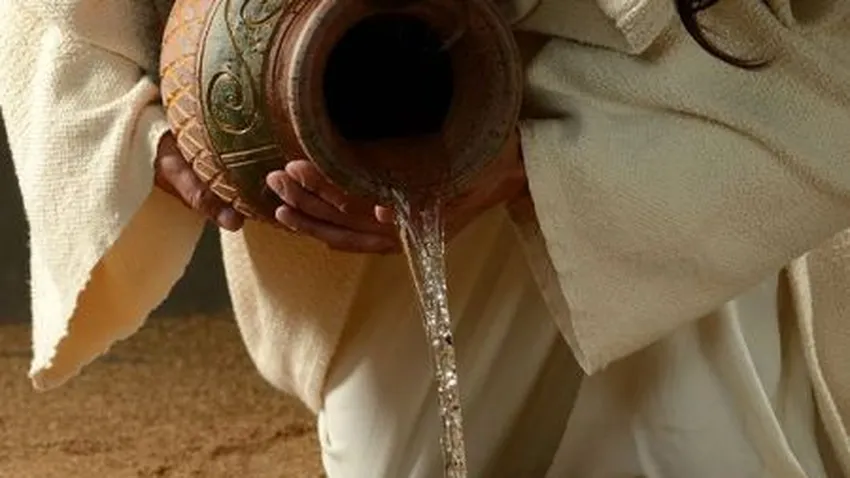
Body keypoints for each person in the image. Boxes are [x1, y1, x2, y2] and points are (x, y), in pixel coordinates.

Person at [1, 0, 850, 476]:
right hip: (350, 103)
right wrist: (140, 127)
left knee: (695, 440)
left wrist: (546, 167)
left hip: (657, 123)